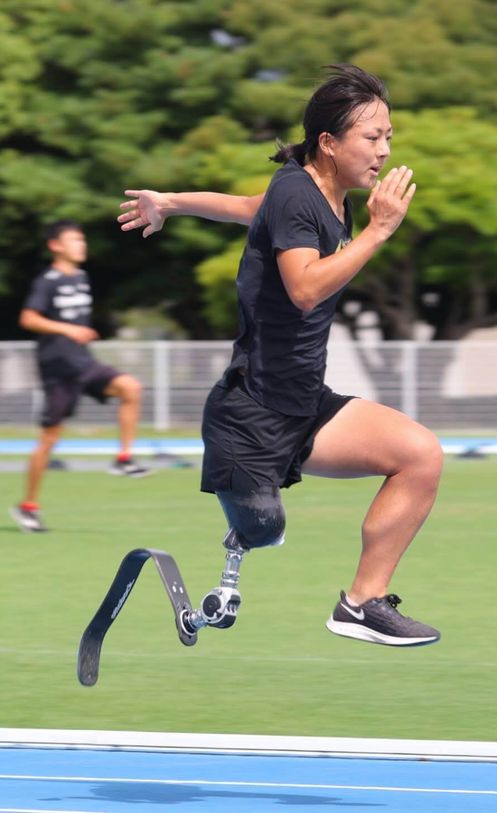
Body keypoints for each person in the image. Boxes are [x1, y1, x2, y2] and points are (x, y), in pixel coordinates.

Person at [117, 65, 444, 647]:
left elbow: (244, 206)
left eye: (388, 136)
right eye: (372, 138)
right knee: (265, 530)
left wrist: (169, 200)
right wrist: (378, 233)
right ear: (328, 141)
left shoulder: (319, 196)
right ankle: (247, 514)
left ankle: (362, 603)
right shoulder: (300, 194)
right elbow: (305, 287)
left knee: (420, 455)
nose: (385, 150)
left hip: (301, 406)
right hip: (250, 415)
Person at [10, 220, 150, 533]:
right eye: (74, 240)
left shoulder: (83, 278)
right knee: (49, 439)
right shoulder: (47, 280)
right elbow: (28, 317)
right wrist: (68, 329)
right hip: (58, 370)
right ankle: (28, 506)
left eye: (82, 239)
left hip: (84, 363)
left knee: (130, 388)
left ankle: (124, 458)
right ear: (55, 246)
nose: (81, 245)